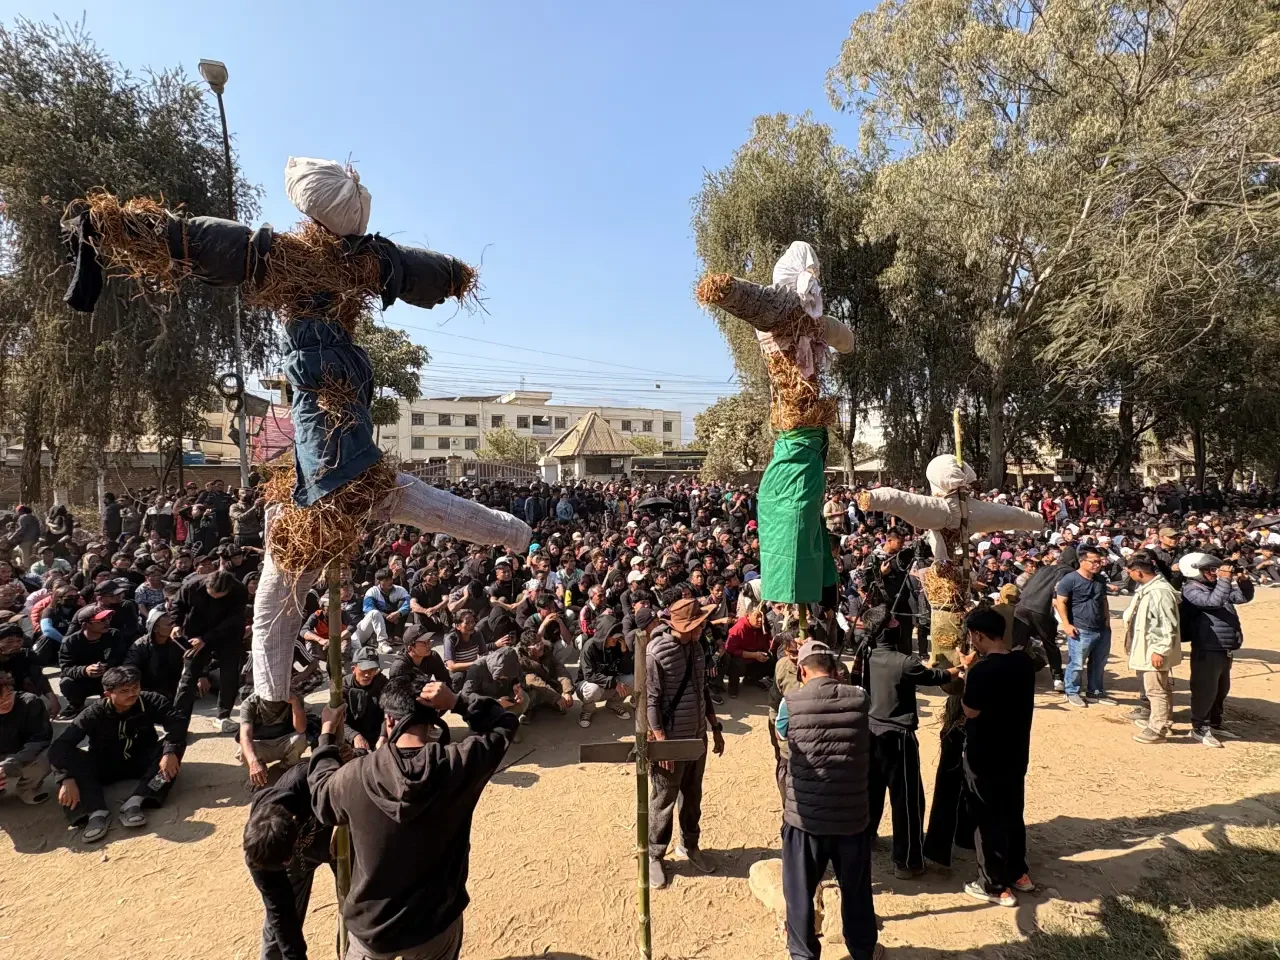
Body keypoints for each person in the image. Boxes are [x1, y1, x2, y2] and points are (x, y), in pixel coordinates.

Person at [308, 675, 518, 960]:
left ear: (389, 720)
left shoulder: (356, 775)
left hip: (373, 930)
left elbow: (321, 796)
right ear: (433, 721)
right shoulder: (458, 765)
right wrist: (457, 701)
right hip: (435, 923)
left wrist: (326, 735)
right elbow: (504, 723)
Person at [774, 639, 880, 960]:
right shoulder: (860, 698)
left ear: (802, 670)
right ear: (835, 669)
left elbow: (782, 735)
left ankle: (803, 954)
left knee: (800, 895)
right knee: (857, 892)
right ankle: (862, 951)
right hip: (852, 818)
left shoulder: (789, 703)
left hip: (806, 820)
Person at [864, 604, 963, 879]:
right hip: (898, 737)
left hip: (871, 734)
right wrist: (959, 669)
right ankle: (907, 861)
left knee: (871, 791)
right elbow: (934, 677)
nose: (897, 622)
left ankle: (866, 836)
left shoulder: (867, 656)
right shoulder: (904, 662)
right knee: (907, 800)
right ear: (886, 631)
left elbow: (915, 673)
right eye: (893, 621)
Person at [48, 664, 185, 842]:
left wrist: (170, 751)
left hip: (142, 761)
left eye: (135, 687)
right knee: (69, 758)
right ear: (108, 694)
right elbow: (61, 745)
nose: (132, 694)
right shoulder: (93, 712)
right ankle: (96, 813)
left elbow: (178, 724)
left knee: (174, 745)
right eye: (124, 691)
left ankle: (137, 800)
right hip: (105, 765)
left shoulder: (151, 701)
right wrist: (65, 778)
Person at [646, 597, 725, 890]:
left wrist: (714, 727)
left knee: (693, 796)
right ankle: (655, 855)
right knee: (663, 799)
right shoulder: (656, 653)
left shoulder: (697, 647)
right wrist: (662, 743)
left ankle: (690, 845)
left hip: (696, 736)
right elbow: (651, 701)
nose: (703, 627)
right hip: (670, 739)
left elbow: (702, 689)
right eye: (698, 624)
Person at [959, 608, 1035, 907]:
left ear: (977, 635)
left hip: (985, 755)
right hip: (1016, 750)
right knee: (1013, 811)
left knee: (987, 818)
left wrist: (967, 673)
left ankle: (994, 885)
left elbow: (970, 710)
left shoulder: (982, 670)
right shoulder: (1023, 662)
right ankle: (1019, 872)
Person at [243, 759, 333, 960]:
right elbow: (280, 912)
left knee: (355, 908)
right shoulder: (259, 856)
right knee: (278, 928)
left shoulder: (304, 781)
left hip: (340, 837)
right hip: (302, 853)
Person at [1182, 556, 1253, 747]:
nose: (1214, 573)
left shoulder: (1215, 587)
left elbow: (1241, 597)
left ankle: (1214, 722)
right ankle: (1199, 727)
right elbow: (1213, 602)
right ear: (1194, 570)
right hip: (1207, 647)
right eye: (1209, 570)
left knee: (1221, 690)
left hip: (1223, 647)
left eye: (1215, 569)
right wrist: (1223, 579)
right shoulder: (1191, 589)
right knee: (1205, 690)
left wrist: (1244, 582)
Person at [172, 568, 250, 732]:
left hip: (227, 635)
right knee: (189, 676)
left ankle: (223, 717)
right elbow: (177, 604)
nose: (214, 598)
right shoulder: (191, 585)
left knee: (229, 675)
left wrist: (206, 639)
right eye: (211, 594)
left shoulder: (239, 590)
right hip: (196, 633)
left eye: (219, 596)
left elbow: (234, 620)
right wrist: (176, 624)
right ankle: (178, 721)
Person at [1121, 552, 1182, 744]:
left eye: (1130, 572)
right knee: (1159, 688)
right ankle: (1163, 721)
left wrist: (1160, 649)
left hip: (1153, 649)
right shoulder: (1147, 589)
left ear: (1138, 572)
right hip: (1145, 646)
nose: (1128, 575)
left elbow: (1166, 624)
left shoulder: (1160, 592)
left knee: (1156, 689)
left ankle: (1158, 729)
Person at [1053, 545, 1114, 707]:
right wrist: (1066, 624)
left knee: (1099, 663)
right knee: (1077, 663)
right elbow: (1060, 602)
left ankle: (1095, 692)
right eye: (1093, 561)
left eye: (1099, 561)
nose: (1097, 564)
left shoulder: (1100, 579)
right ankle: (1072, 691)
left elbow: (1103, 600)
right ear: (1082, 561)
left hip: (1101, 629)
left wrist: (1107, 621)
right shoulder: (1069, 580)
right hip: (1081, 629)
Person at [57, 604, 129, 717]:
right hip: (84, 680)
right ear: (86, 625)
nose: (107, 622)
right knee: (67, 682)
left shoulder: (114, 635)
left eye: (108, 618)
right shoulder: (71, 642)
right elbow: (66, 668)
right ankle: (77, 705)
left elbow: (121, 658)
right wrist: (85, 670)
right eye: (101, 620)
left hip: (108, 677)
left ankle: (111, 702)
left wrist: (106, 667)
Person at [0, 668, 53, 805]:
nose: (5, 703)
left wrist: (11, 762)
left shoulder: (30, 702)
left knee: (49, 755)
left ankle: (27, 789)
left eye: (8, 695)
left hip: (23, 755)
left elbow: (40, 738)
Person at [238, 690, 308, 789]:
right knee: (244, 750)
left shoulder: (295, 696)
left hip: (284, 741)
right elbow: (245, 735)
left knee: (300, 739)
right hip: (262, 745)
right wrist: (253, 761)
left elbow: (301, 728)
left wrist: (295, 703)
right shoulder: (250, 703)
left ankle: (285, 768)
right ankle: (259, 773)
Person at [576, 614, 634, 728]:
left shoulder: (618, 645)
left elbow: (627, 670)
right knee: (592, 689)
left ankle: (614, 704)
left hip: (610, 684)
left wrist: (624, 653)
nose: (616, 638)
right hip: (589, 684)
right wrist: (614, 683)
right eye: (612, 635)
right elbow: (589, 675)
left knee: (633, 679)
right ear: (604, 635)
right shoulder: (589, 647)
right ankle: (588, 710)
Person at [125, 607, 186, 701]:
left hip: (173, 686)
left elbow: (192, 658)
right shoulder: (140, 645)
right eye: (169, 624)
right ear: (156, 628)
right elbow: (129, 668)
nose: (173, 627)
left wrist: (201, 676)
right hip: (149, 689)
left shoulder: (178, 642)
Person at [343, 647, 388, 754]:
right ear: (354, 669)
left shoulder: (382, 683)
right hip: (353, 737)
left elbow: (390, 713)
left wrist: (383, 735)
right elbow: (338, 721)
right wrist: (354, 735)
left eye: (372, 670)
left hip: (378, 734)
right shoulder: (343, 687)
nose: (368, 675)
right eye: (364, 670)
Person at [722, 605, 774, 697]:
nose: (760, 620)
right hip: (739, 659)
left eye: (762, 616)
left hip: (755, 656)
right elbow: (730, 650)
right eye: (757, 616)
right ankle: (733, 685)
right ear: (748, 615)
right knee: (737, 663)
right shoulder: (739, 628)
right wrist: (754, 655)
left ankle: (751, 679)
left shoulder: (763, 627)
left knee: (771, 661)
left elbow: (767, 644)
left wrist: (765, 654)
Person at [359, 568, 411, 655]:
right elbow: (367, 608)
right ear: (379, 581)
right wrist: (385, 615)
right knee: (375, 613)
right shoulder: (372, 591)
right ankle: (383, 638)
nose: (390, 581)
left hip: (396, 620)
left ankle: (397, 635)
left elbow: (409, 602)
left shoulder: (399, 589)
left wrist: (398, 613)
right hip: (381, 621)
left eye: (390, 579)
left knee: (403, 604)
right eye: (386, 580)